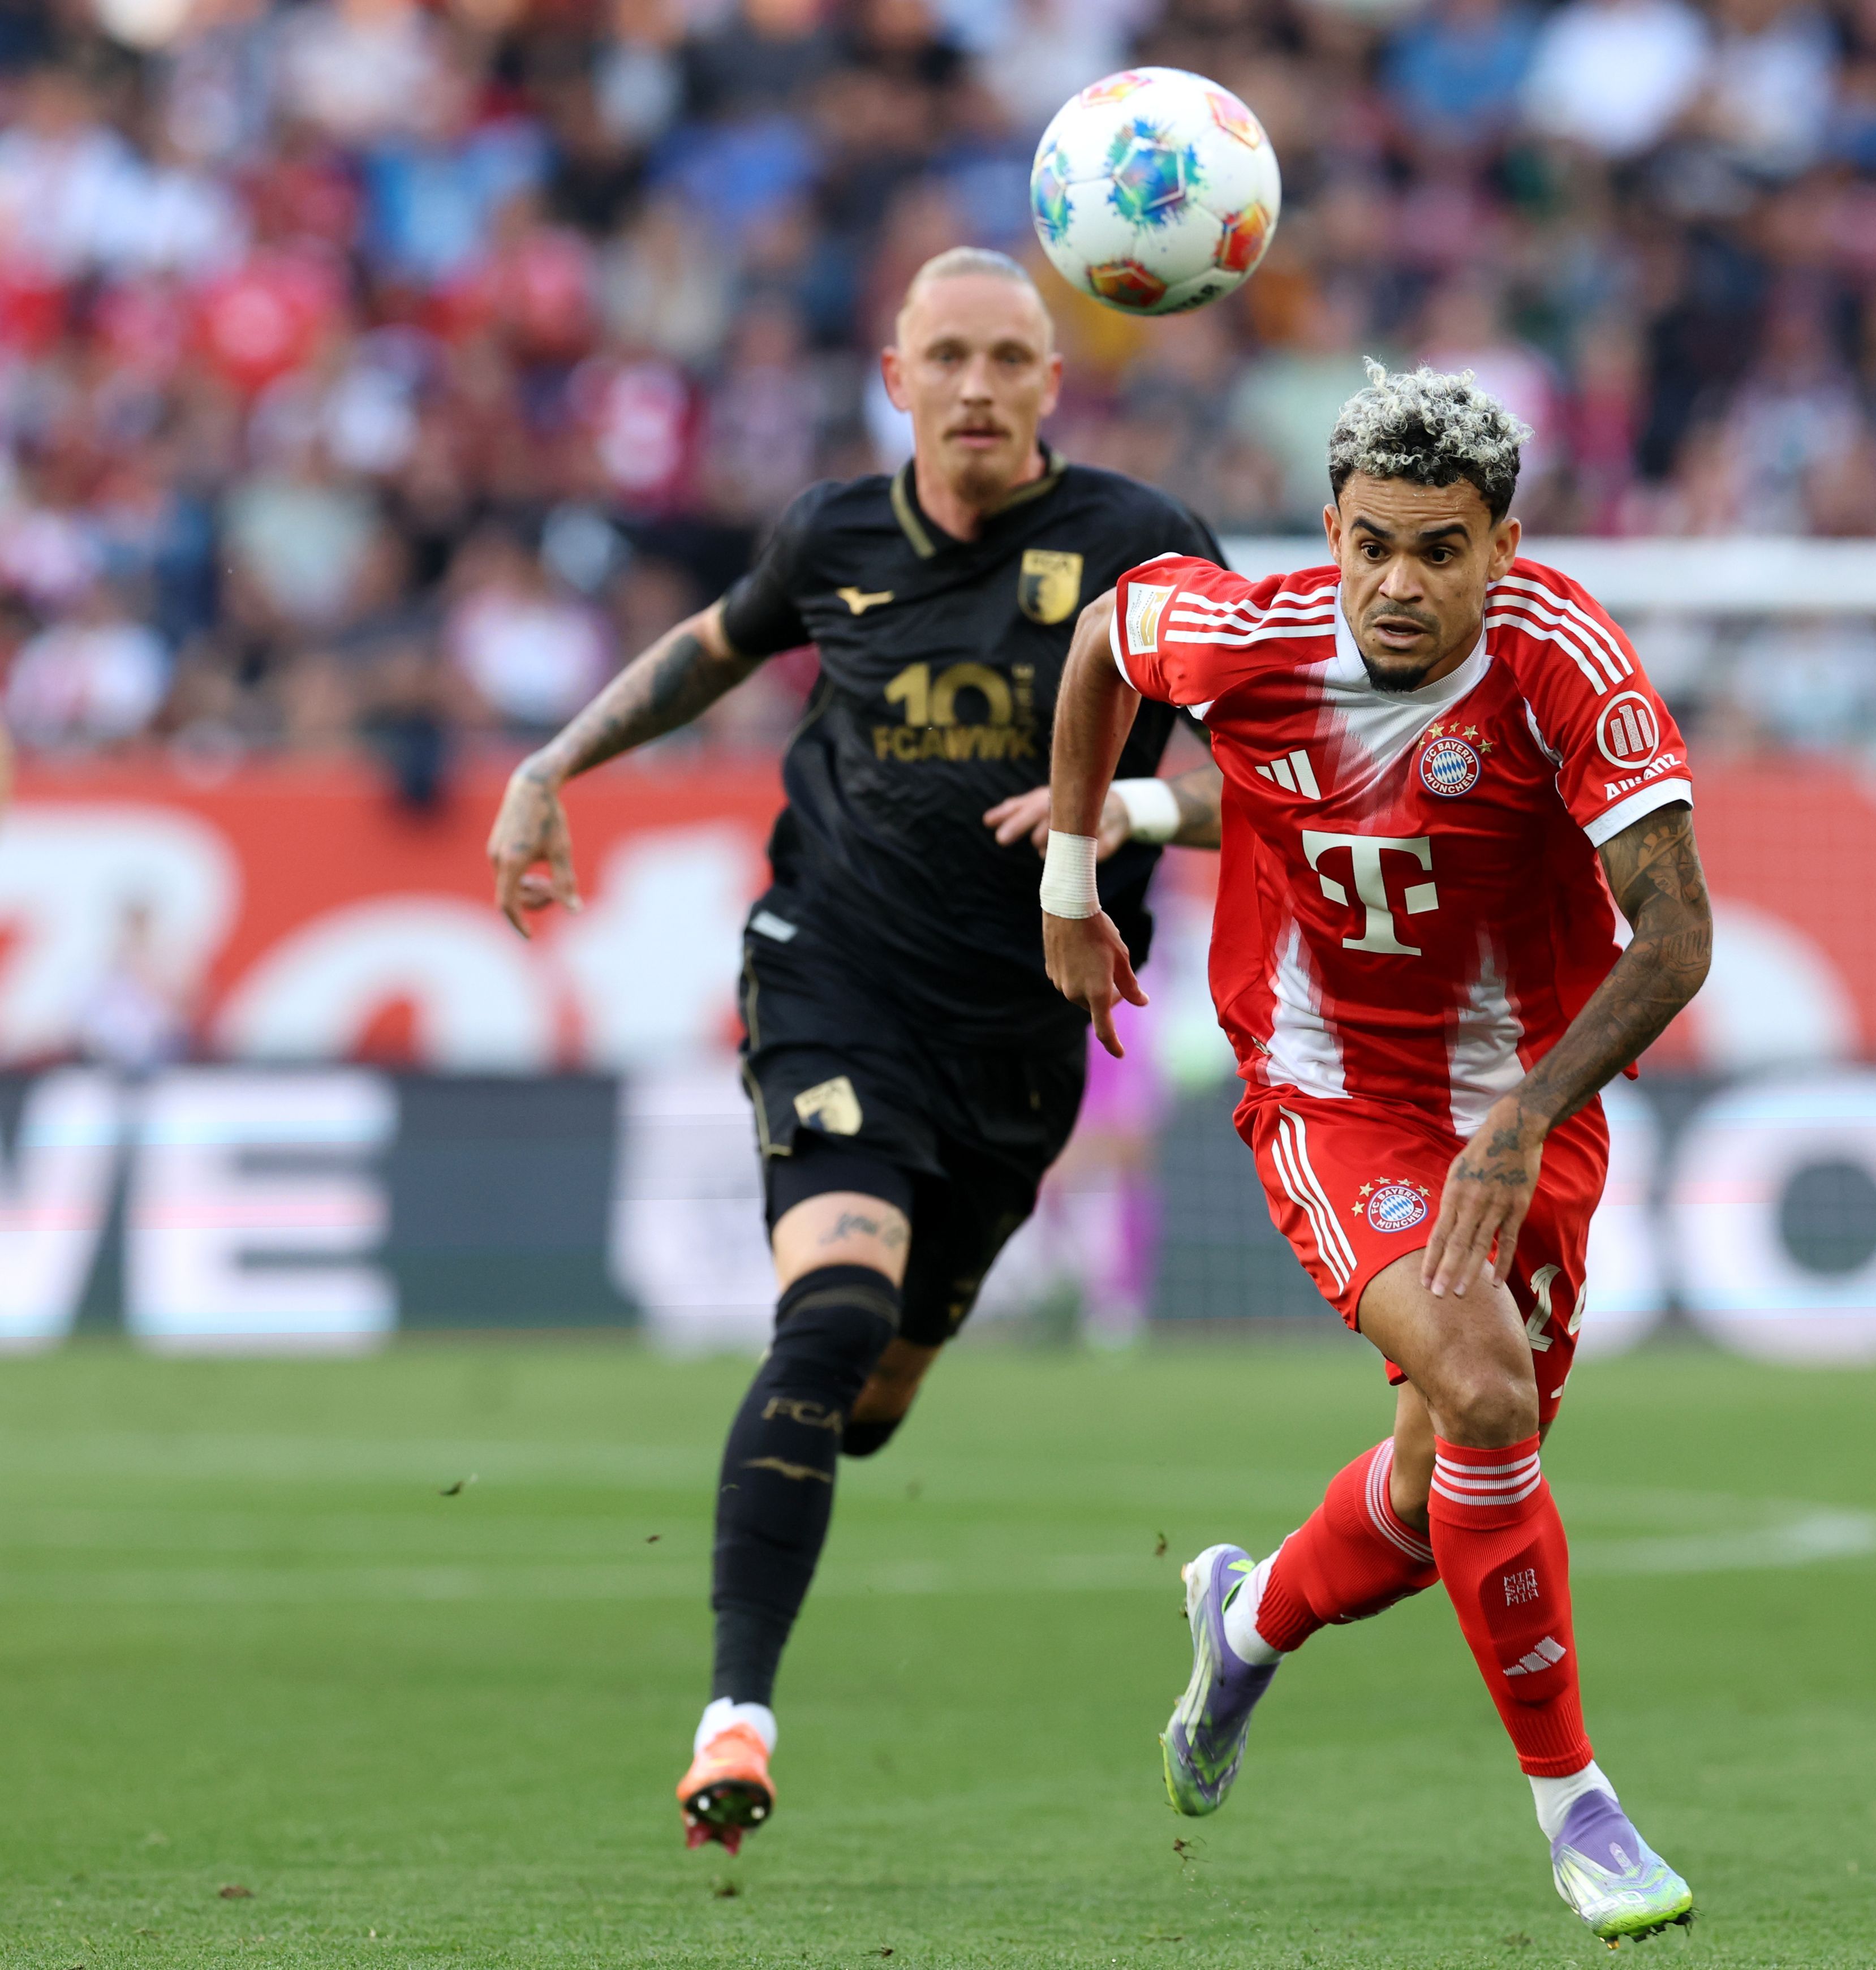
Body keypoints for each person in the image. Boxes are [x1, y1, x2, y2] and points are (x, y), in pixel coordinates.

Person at [483, 246, 1225, 1853]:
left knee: (878, 1390)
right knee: (829, 1317)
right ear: (895, 376)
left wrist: (1118, 808)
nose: (974, 386)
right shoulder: (829, 535)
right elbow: (711, 646)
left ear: (1052, 380)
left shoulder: (1143, 550)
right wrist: (554, 758)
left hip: (1022, 1040)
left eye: (1006, 359)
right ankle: (734, 1712)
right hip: (833, 977)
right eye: (944, 355)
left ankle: (868, 1388)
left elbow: (1285, 772)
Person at [1039, 363, 1715, 1944]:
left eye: (1437, 548)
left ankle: (1246, 1616)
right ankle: (1578, 1810)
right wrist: (1076, 868)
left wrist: (1530, 1111)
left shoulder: (1566, 665)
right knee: (1483, 1393)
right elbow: (1095, 643)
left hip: (1520, 1106)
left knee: (1439, 1483)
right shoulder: (1243, 634)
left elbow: (1674, 937)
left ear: (1504, 545)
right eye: (1368, 545)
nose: (1396, 584)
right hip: (1329, 1089)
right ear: (1329, 533)